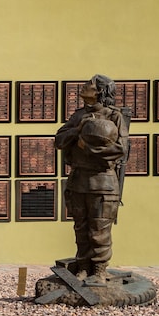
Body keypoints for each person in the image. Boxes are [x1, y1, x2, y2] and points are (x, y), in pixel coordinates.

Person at [54, 74, 130, 287]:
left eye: (89, 85)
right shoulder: (78, 116)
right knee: (81, 227)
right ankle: (83, 266)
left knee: (99, 228)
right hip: (78, 179)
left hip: (103, 182)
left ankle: (99, 270)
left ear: (99, 92)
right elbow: (58, 140)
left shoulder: (114, 117)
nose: (84, 86)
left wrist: (87, 148)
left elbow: (120, 149)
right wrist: (77, 131)